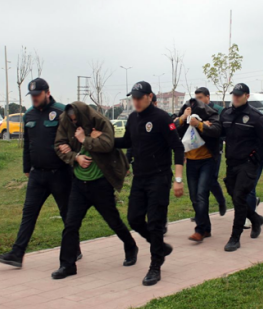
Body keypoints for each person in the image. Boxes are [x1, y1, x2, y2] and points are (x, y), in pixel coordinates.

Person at [51, 102, 138, 280]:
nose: (74, 123)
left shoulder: (100, 121)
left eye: (76, 119)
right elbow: (59, 145)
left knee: (113, 220)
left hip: (100, 183)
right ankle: (67, 265)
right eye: (71, 120)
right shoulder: (65, 121)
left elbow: (108, 145)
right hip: (79, 184)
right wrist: (75, 157)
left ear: (82, 116)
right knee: (70, 225)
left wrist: (85, 139)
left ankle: (130, 246)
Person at [0, 78, 71, 268]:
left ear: (47, 92)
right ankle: (16, 254)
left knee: (67, 214)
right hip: (37, 175)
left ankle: (73, 249)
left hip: (60, 173)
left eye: (37, 95)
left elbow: (73, 140)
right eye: (32, 96)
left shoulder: (62, 112)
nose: (34, 99)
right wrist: (26, 168)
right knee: (28, 213)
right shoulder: (29, 115)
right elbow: (27, 143)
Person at [114, 81, 185, 286]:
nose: (135, 101)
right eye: (133, 98)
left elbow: (178, 148)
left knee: (155, 223)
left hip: (160, 177)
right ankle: (160, 247)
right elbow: (128, 141)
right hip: (140, 177)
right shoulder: (133, 118)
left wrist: (178, 180)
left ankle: (155, 265)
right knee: (134, 219)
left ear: (149, 97)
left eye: (138, 97)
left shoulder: (162, 118)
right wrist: (104, 138)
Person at [220, 83, 263, 251]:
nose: (236, 97)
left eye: (239, 95)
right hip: (232, 163)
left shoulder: (255, 117)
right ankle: (255, 218)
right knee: (235, 195)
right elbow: (218, 132)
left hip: (249, 163)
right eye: (234, 95)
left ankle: (235, 238)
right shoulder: (226, 114)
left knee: (238, 197)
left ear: (247, 96)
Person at [176, 98, 222, 242]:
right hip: (191, 162)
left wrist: (200, 125)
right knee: (194, 197)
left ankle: (199, 230)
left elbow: (216, 131)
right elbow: (172, 128)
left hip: (207, 161)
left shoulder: (212, 116)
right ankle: (206, 228)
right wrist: (183, 118)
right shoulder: (183, 116)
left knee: (201, 194)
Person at [194, 87, 227, 217]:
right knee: (200, 184)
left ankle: (221, 201)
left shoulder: (218, 111)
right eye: (196, 98)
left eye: (200, 98)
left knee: (211, 179)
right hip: (198, 151)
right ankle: (201, 214)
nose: (198, 101)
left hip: (214, 150)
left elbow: (221, 130)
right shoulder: (196, 111)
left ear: (208, 97)